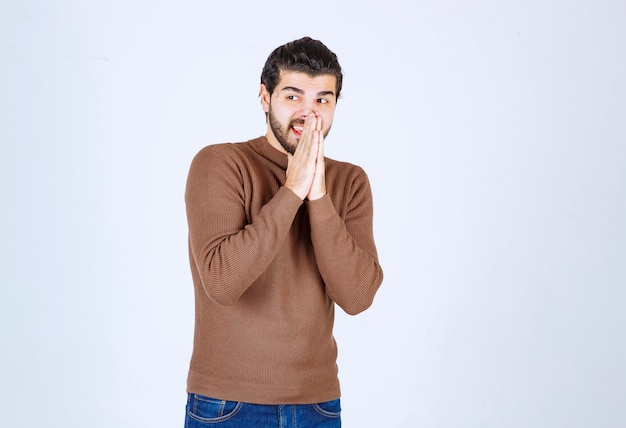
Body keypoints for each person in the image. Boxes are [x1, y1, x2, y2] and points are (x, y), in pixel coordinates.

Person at [183, 36, 384, 428]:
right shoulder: (221, 164)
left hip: (318, 407)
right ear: (265, 97)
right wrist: (292, 190)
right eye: (293, 97)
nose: (308, 116)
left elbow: (358, 296)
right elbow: (223, 282)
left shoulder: (350, 181)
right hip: (228, 406)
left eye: (322, 101)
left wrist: (319, 194)